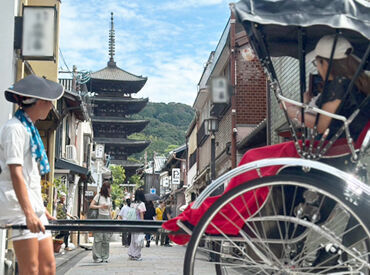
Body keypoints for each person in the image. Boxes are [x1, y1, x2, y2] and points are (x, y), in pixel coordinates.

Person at [163, 35, 370, 245]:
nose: (319, 69)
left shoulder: (339, 84)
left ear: (327, 62)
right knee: (257, 159)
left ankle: (228, 214)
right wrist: (308, 104)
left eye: (318, 63)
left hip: (326, 150)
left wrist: (296, 113)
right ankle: (229, 211)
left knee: (254, 157)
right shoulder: (358, 86)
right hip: (335, 149)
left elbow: (323, 124)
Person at [0, 75, 64, 275]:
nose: (50, 107)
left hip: (31, 203)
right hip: (18, 205)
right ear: (41, 102)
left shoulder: (29, 129)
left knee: (48, 267)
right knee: (31, 269)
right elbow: (16, 172)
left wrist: (40, 208)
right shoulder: (14, 129)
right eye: (49, 102)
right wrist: (28, 212)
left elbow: (30, 177)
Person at [90, 181, 112, 263]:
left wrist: (111, 219)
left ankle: (105, 257)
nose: (110, 189)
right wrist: (100, 206)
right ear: (106, 188)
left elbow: (109, 209)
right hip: (99, 217)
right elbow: (91, 205)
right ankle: (97, 257)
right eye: (109, 187)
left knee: (106, 238)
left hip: (107, 218)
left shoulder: (109, 197)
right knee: (98, 237)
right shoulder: (98, 196)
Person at [128, 189, 146, 261]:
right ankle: (136, 255)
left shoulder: (132, 204)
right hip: (138, 224)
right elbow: (142, 215)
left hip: (132, 223)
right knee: (138, 240)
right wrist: (143, 224)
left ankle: (131, 253)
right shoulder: (141, 204)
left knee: (133, 239)